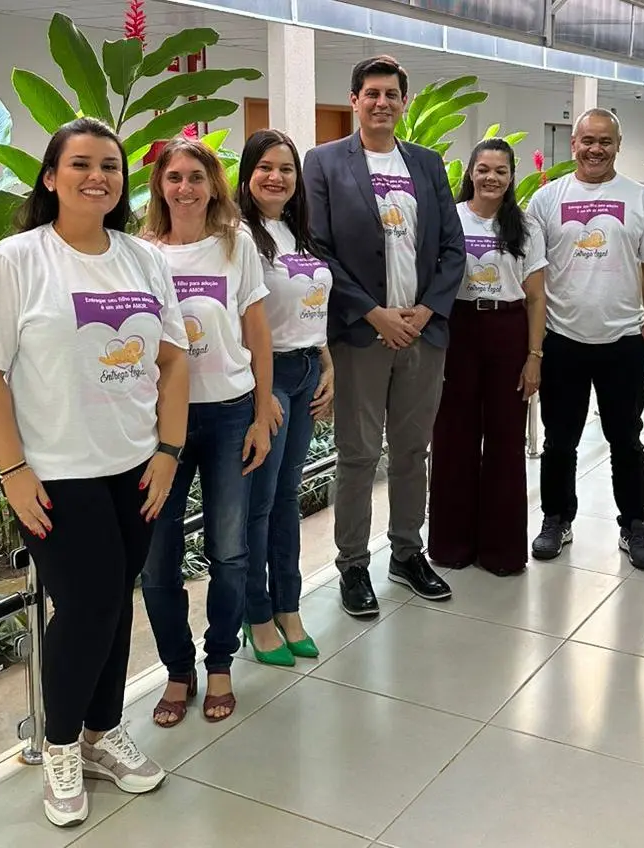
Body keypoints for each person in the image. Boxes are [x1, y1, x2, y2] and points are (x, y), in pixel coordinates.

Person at [0, 117, 188, 827]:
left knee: (117, 604)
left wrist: (169, 451)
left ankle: (100, 733)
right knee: (85, 608)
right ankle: (59, 744)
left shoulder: (143, 260)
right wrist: (13, 468)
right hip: (56, 475)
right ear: (51, 178)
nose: (98, 176)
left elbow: (174, 361)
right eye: (80, 163)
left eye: (110, 166)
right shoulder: (18, 260)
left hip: (135, 469)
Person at [304, 55, 465, 618]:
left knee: (412, 451)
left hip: (422, 334)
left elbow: (452, 247)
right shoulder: (323, 164)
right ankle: (351, 565)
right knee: (358, 453)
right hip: (361, 333)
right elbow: (319, 249)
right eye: (371, 93)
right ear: (355, 100)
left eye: (391, 94)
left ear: (403, 101)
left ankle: (406, 552)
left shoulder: (426, 163)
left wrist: (422, 312)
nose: (381, 103)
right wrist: (375, 314)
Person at [139, 136, 278, 725]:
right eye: (175, 177)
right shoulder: (139, 252)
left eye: (197, 177)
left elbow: (257, 330)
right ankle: (178, 669)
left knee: (229, 549)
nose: (186, 188)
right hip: (157, 424)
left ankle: (219, 661)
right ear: (160, 187)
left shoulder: (235, 244)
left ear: (213, 184)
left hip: (227, 412)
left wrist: (262, 413)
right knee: (158, 559)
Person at [526, 108, 644, 566]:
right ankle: (556, 520)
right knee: (559, 439)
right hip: (562, 339)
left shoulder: (641, 199)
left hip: (623, 341)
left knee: (626, 438)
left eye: (605, 141)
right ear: (573, 144)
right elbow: (535, 274)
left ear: (618, 146)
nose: (595, 149)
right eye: (587, 140)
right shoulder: (547, 200)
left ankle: (635, 525)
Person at [427, 138, 548, 576]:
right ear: (471, 173)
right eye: (483, 169)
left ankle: (501, 551)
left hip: (508, 330)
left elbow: (536, 298)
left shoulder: (527, 228)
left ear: (512, 176)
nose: (491, 177)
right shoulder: (450, 219)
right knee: (452, 437)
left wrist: (534, 355)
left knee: (505, 440)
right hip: (457, 328)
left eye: (500, 170)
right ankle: (450, 544)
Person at [237, 129, 334, 662]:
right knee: (259, 503)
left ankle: (288, 606)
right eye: (266, 167)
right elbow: (237, 320)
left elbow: (309, 308)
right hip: (265, 380)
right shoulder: (238, 236)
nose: (276, 177)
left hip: (304, 372)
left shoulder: (301, 234)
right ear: (248, 174)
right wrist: (259, 391)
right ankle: (258, 614)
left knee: (286, 501)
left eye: (286, 169)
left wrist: (328, 363)